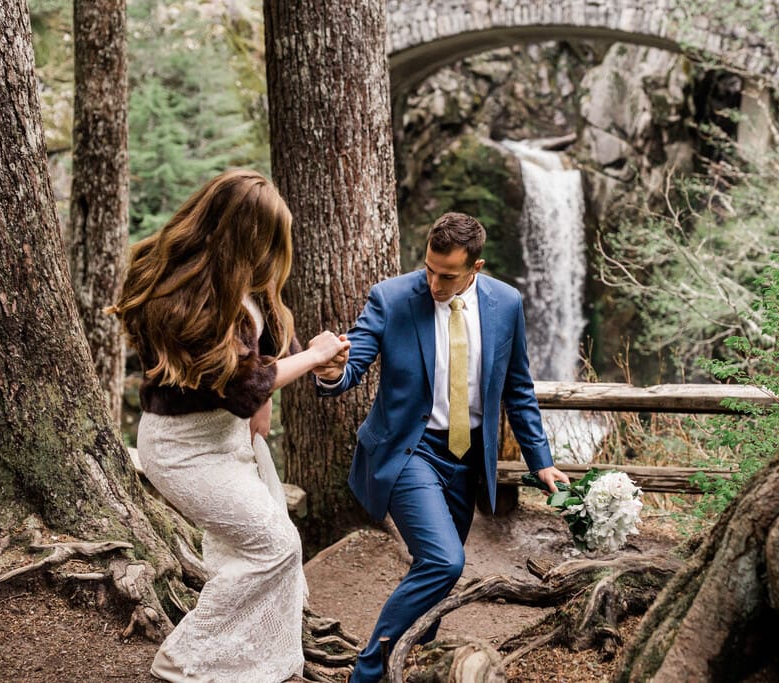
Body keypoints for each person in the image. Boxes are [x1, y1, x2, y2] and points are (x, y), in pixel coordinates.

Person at [109, 169, 350, 683]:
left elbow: (265, 355)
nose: (271, 253)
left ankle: (255, 660)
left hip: (230, 439)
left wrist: (311, 363)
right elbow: (242, 383)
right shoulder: (184, 296)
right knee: (274, 548)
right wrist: (308, 360)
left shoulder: (245, 284)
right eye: (264, 239)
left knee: (261, 543)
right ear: (240, 234)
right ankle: (185, 659)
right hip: (182, 449)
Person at [313, 211, 569, 682]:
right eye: (429, 268)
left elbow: (518, 388)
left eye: (447, 274)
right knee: (444, 561)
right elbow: (354, 362)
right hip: (411, 451)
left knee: (437, 573)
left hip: (467, 460)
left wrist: (542, 462)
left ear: (476, 266)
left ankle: (414, 665)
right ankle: (368, 673)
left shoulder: (506, 303)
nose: (434, 281)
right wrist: (332, 372)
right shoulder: (391, 298)